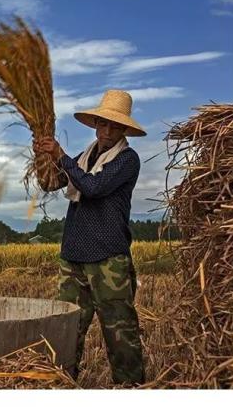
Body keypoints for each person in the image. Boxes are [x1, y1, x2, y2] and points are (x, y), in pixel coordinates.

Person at [34, 89, 147, 385]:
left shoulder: (127, 160)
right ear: (95, 125)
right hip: (73, 255)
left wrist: (62, 156)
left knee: (119, 331)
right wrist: (43, 158)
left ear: (124, 130)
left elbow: (94, 187)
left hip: (108, 257)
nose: (107, 131)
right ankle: (63, 383)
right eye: (102, 124)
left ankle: (130, 386)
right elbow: (52, 184)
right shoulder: (84, 157)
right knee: (67, 327)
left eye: (114, 126)